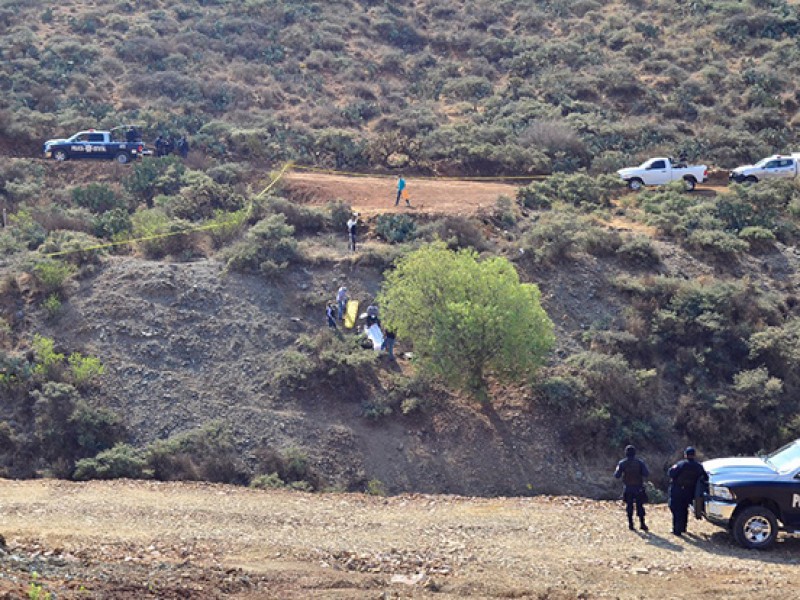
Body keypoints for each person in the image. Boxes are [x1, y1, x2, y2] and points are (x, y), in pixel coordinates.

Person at [668, 446, 707, 536]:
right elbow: (705, 478)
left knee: (676, 508)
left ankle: (676, 530)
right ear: (694, 455)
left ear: (685, 455)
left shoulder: (681, 464)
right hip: (690, 491)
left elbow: (671, 473)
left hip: (678, 490)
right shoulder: (699, 466)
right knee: (684, 509)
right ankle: (683, 528)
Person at [614, 445, 650, 531]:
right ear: (635, 453)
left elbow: (617, 475)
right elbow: (646, 474)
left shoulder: (622, 463)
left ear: (626, 453)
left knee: (629, 506)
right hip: (638, 487)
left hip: (628, 488)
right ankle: (642, 523)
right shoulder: (640, 462)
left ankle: (631, 524)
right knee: (640, 506)